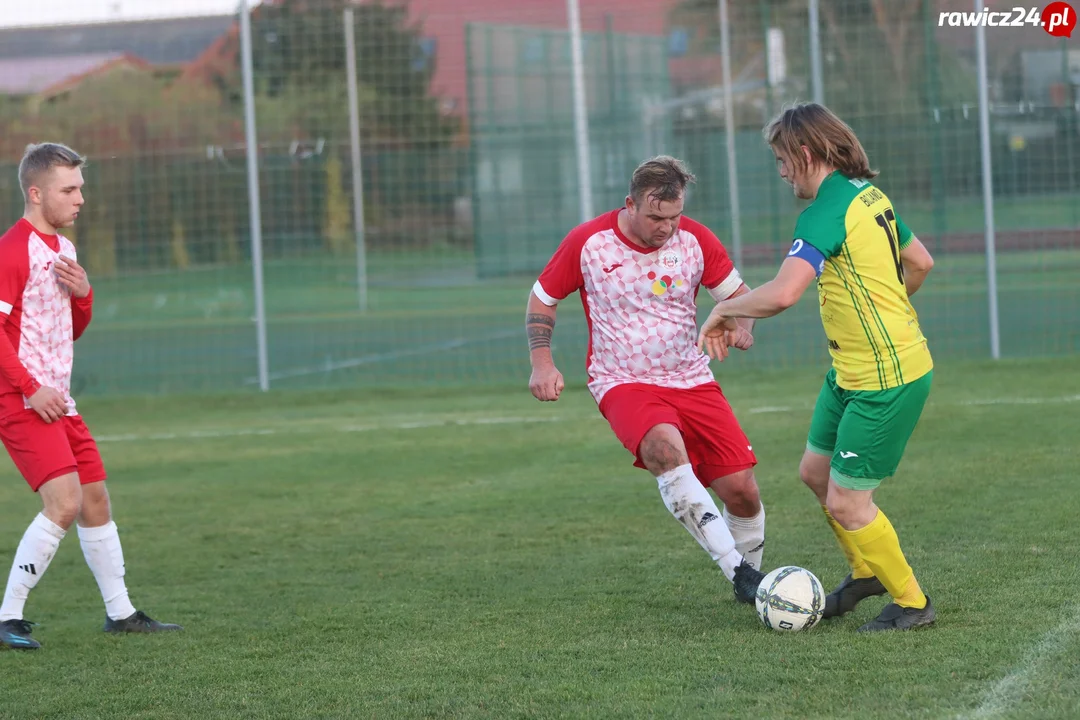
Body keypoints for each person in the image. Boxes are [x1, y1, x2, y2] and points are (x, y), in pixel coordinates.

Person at [697, 103, 937, 632]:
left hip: (886, 379)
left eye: (783, 160)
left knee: (849, 502)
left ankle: (913, 601)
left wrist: (723, 308)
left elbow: (783, 293)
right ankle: (864, 573)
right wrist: (892, 307)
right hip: (851, 371)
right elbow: (920, 262)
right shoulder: (867, 194)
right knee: (815, 474)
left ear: (805, 153)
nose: (781, 172)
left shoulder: (825, 211)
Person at [526, 155, 767, 604]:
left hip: (692, 378)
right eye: (657, 217)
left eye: (674, 217)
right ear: (630, 204)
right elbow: (542, 299)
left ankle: (754, 579)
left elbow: (740, 297)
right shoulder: (589, 243)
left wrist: (741, 327)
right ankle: (738, 573)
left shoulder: (694, 240)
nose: (667, 228)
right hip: (623, 380)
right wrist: (542, 362)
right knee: (663, 451)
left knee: (742, 491)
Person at [0, 143, 182, 651]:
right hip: (21, 398)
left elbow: (71, 328)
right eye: (69, 189)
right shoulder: (12, 250)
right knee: (64, 503)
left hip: (59, 399)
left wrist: (84, 294)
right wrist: (30, 388)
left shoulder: (65, 250)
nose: (81, 198)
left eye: (80, 187)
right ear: (36, 194)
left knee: (95, 499)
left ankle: (120, 614)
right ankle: (6, 617)